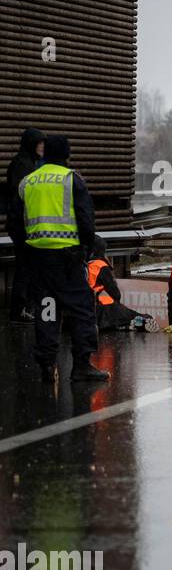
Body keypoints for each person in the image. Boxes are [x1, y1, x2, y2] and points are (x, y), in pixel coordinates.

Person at [18, 134, 108, 382]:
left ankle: (47, 364)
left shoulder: (28, 182)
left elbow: (14, 222)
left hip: (37, 258)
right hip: (68, 258)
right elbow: (86, 221)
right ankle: (81, 365)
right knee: (81, 310)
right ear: (66, 154)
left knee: (47, 309)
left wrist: (28, 249)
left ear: (45, 152)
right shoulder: (71, 181)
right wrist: (86, 249)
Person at [5, 128, 45, 323]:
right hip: (22, 225)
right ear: (31, 144)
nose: (42, 146)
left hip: (20, 224)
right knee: (25, 267)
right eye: (39, 143)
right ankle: (19, 310)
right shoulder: (23, 165)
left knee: (27, 266)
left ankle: (23, 308)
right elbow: (22, 196)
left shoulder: (26, 162)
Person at [87, 236, 158, 332]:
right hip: (106, 310)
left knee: (118, 322)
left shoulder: (84, 266)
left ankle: (125, 326)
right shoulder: (100, 266)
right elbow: (115, 293)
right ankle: (142, 322)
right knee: (135, 315)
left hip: (89, 313)